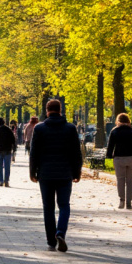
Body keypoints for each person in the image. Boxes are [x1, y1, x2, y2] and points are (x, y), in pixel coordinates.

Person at [29, 99, 82, 252]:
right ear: (60, 110)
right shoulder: (70, 128)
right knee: (64, 205)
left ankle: (51, 241)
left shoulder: (39, 128)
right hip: (65, 173)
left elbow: (34, 153)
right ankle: (60, 232)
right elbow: (76, 153)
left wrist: (33, 172)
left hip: (45, 173)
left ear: (47, 111)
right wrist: (77, 172)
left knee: (48, 207)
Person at [106, 113, 132, 209]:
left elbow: (110, 145)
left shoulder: (114, 131)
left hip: (119, 158)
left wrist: (109, 155)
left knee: (120, 180)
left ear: (118, 121)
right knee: (129, 181)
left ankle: (122, 200)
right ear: (128, 121)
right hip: (131, 158)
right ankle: (129, 202)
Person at [0, 117, 16, 187]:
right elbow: (13, 139)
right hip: (7, 149)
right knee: (7, 166)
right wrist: (14, 148)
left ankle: (1, 181)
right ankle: (6, 181)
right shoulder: (8, 129)